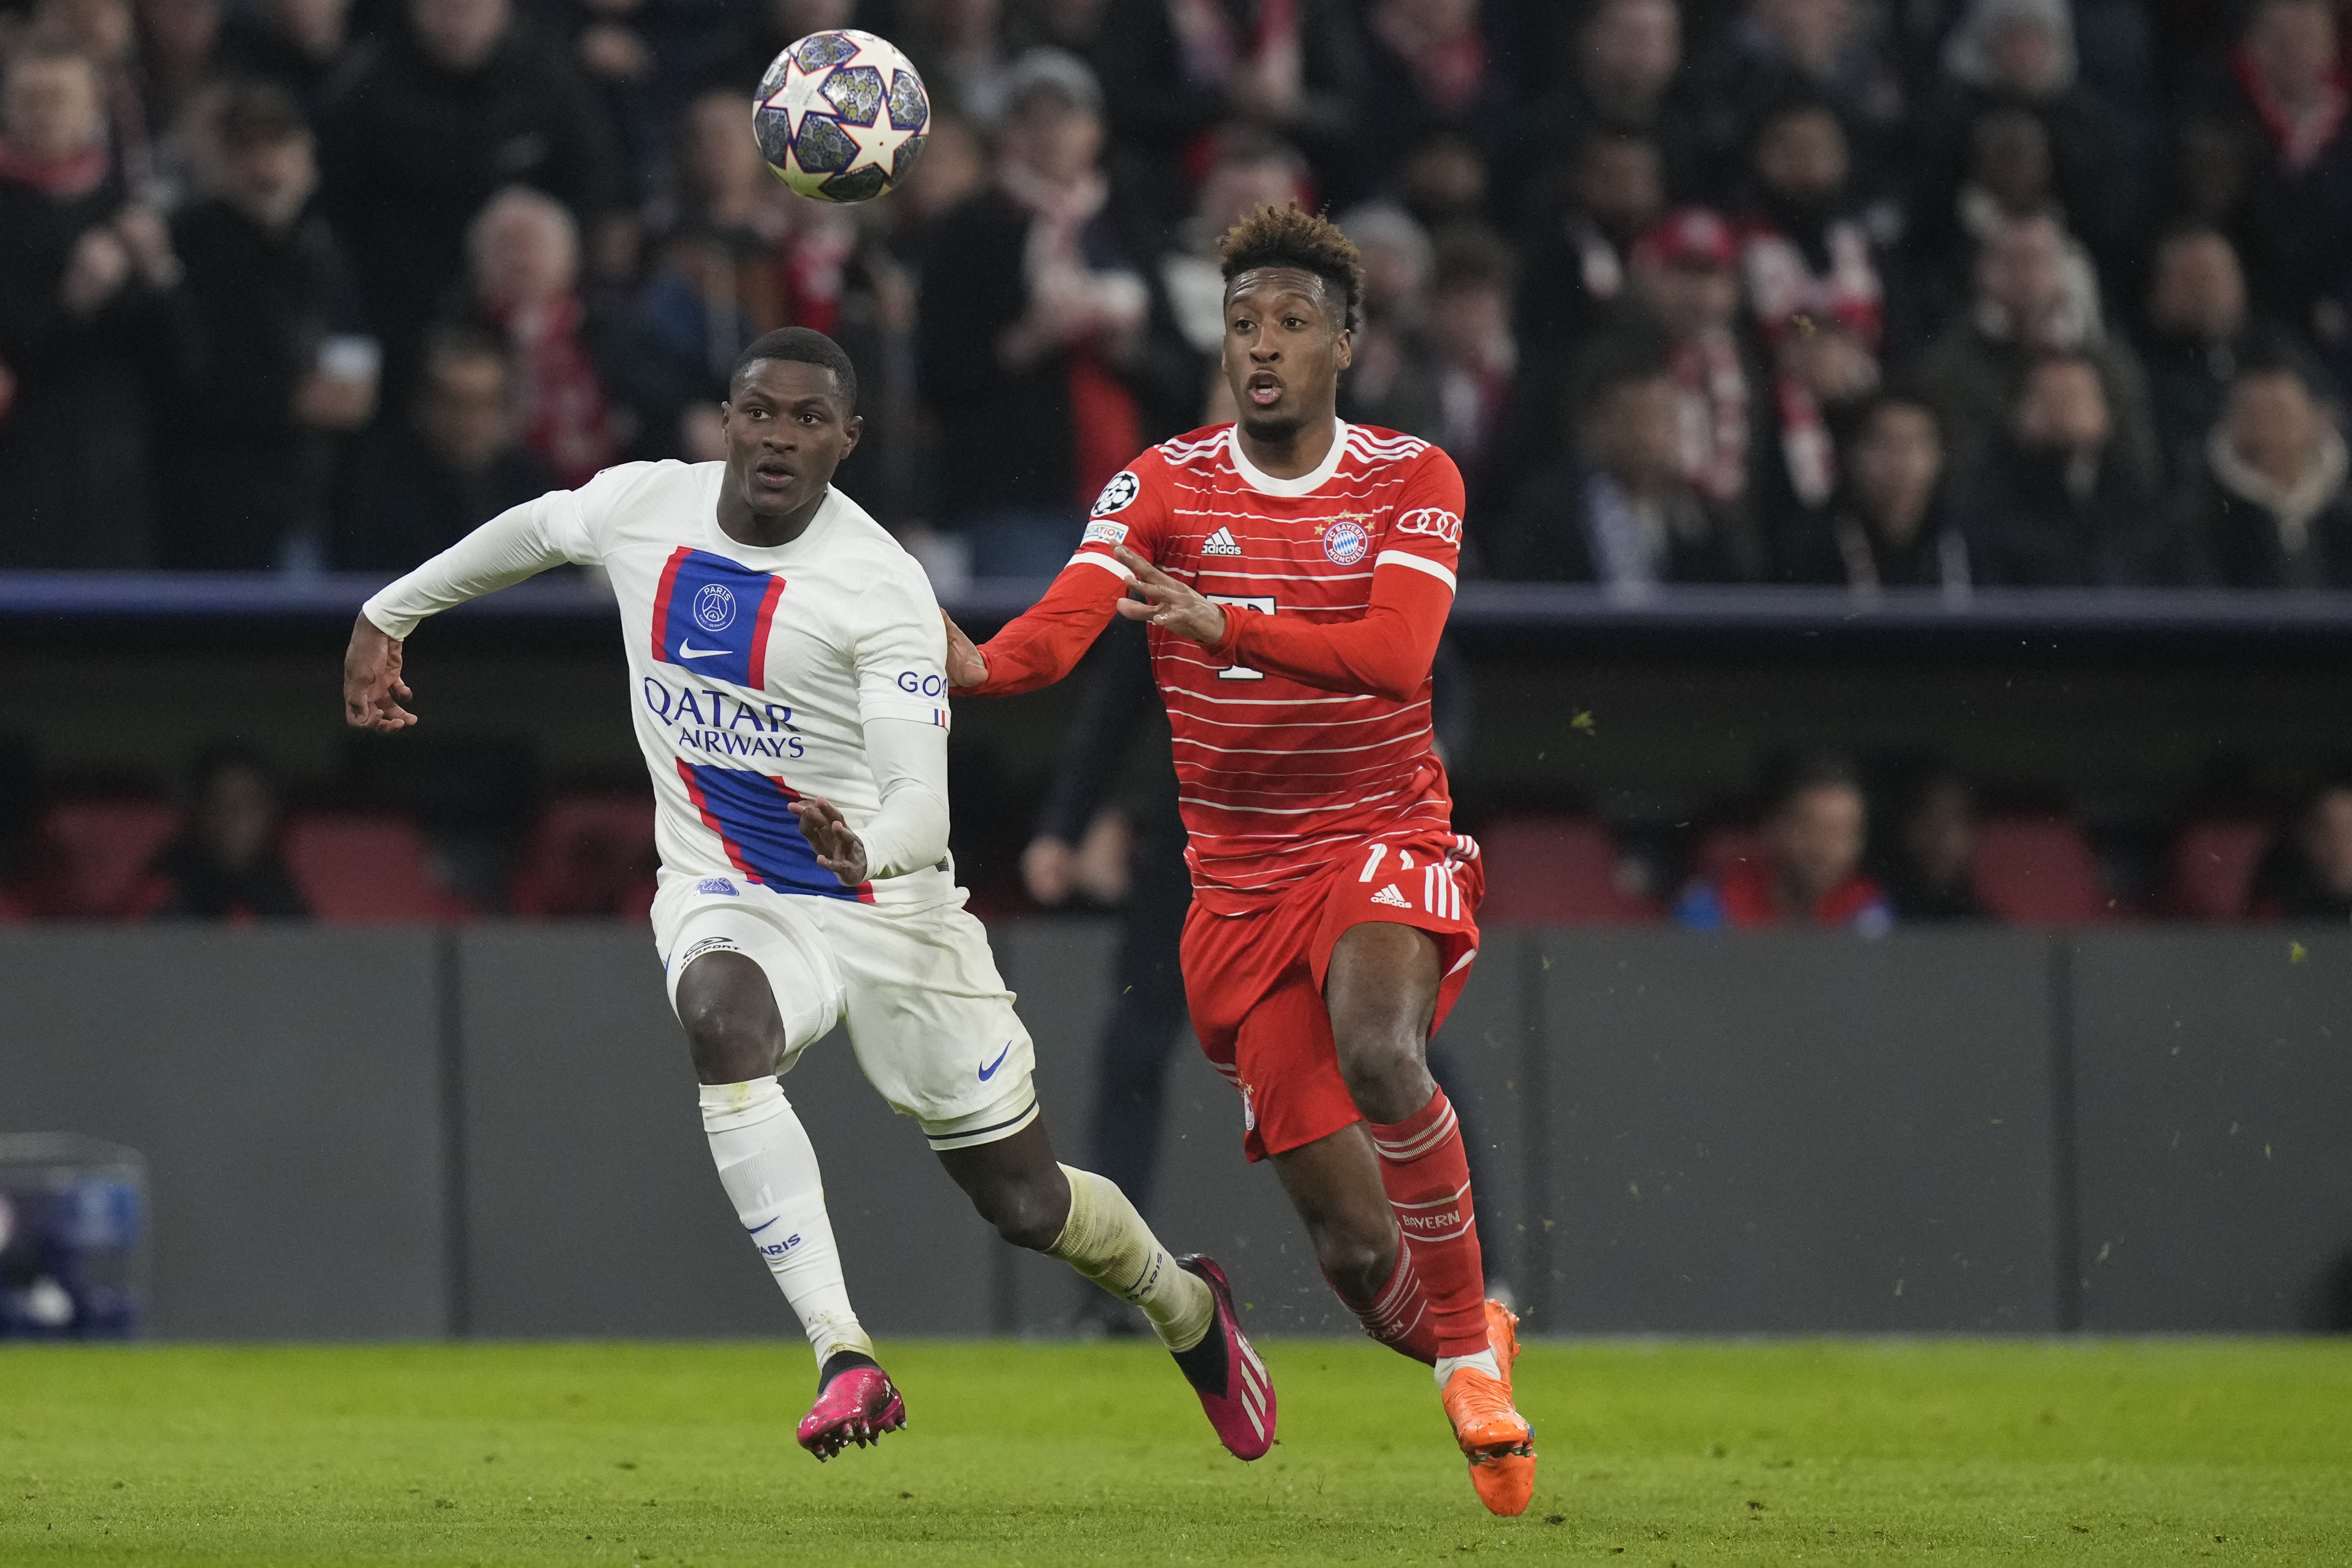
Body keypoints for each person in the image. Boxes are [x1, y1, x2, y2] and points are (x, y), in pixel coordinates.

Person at [340, 326, 1272, 1466]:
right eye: (760, 413)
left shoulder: (878, 589)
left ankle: (1185, 1307)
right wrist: (391, 612)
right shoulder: (647, 505)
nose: (779, 436)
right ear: (727, 421)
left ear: (848, 440)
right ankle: (845, 1352)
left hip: (890, 910)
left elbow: (920, 811)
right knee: (723, 1025)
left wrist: (864, 852)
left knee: (1024, 1204)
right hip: (733, 886)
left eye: (807, 419)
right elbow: (538, 526)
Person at [941, 206, 1536, 1516]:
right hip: (1236, 888)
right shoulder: (1157, 484)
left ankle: (1475, 1358)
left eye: (1289, 325)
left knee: (1384, 1048)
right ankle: (1463, 1348)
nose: (1259, 349)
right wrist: (960, 659)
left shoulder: (1410, 476)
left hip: (1380, 831)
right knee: (1349, 1243)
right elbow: (1047, 641)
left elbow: (1392, 660)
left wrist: (1229, 621)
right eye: (1240, 325)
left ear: (1346, 342)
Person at [915, 50, 1161, 577]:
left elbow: (1179, 361)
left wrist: (1128, 348)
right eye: (1033, 118)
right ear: (1010, 133)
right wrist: (1028, 340)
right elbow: (937, 370)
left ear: (1095, 130)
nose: (1051, 133)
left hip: (1129, 493)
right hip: (1014, 497)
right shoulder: (970, 228)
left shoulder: (1128, 222)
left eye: (1065, 117)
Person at [319, 0, 621, 411]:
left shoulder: (549, 80)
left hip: (540, 308)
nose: (457, 18)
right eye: (442, 7)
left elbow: (597, 184)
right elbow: (339, 213)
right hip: (405, 311)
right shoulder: (366, 91)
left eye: (473, 7)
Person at [161, 80, 375, 570]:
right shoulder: (192, 245)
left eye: (280, 149)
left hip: (314, 496)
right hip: (220, 500)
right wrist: (290, 399)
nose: (268, 169)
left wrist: (352, 381)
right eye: (250, 151)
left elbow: (351, 331)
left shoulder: (317, 245)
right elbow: (185, 372)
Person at [0, 38, 179, 568]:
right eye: (29, 98)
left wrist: (161, 275)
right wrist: (73, 301)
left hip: (120, 477)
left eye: (58, 97)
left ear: (91, 110)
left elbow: (184, 368)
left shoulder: (126, 213)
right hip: (22, 473)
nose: (43, 114)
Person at [1911, 210, 2159, 488]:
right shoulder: (1950, 368)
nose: (2024, 275)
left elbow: (2140, 468)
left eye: (2037, 260)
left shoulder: (2104, 360)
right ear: (1982, 271)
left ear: (2064, 270)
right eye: (2010, 261)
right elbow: (1956, 474)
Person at [1494, 362, 1762, 587]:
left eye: (1657, 417)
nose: (1644, 436)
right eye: (1630, 418)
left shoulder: (1706, 517)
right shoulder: (1549, 511)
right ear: (1596, 426)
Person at [333, 326, 559, 570]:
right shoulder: (378, 484)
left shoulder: (533, 487)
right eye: (455, 403)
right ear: (424, 405)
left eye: (487, 404)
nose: (471, 421)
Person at [1956, 350, 2171, 586]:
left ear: (2106, 410)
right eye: (2048, 399)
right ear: (2018, 410)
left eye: (2074, 398)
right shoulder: (1989, 495)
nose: (2062, 413)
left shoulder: (2135, 495)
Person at [2187, 355, 2352, 589]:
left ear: (2315, 421)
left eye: (2280, 417)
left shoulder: (2344, 516)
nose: (2267, 435)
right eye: (2253, 418)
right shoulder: (2200, 523)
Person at [1673, 756, 1892, 931]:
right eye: (1810, 830)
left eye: (1841, 832)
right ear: (1773, 828)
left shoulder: (1867, 910)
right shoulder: (1716, 904)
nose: (1824, 849)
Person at [1777, 389, 1964, 591]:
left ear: (1940, 456)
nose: (1900, 462)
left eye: (1915, 444)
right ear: (1851, 456)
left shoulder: (1969, 537)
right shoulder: (1812, 544)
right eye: (1884, 444)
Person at [124, 745, 310, 921]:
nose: (236, 816)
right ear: (198, 813)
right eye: (221, 803)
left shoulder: (283, 887)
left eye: (249, 803)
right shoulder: (163, 890)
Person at [1876, 767, 1986, 921]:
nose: (1941, 835)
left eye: (1951, 821)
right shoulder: (1872, 916)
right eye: (1932, 819)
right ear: (1909, 827)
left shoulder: (1984, 928)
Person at [2251, 778, 2352, 921]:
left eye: (2349, 830)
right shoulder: (2279, 907)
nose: (2338, 844)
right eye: (2325, 830)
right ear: (2306, 837)